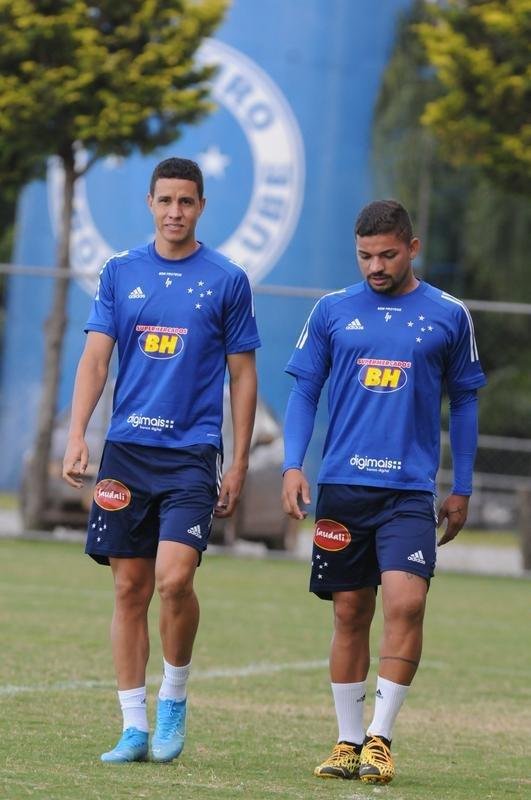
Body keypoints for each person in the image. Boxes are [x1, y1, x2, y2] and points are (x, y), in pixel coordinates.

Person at [63, 157, 260, 764]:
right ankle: (132, 725)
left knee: (175, 581)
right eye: (166, 201)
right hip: (126, 454)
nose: (176, 212)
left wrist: (239, 461)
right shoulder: (121, 272)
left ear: (201, 207)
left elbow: (243, 375)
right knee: (129, 589)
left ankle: (174, 696)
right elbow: (97, 359)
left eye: (187, 202)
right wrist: (77, 436)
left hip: (191, 455)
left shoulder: (227, 279)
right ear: (150, 203)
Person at [281, 199, 486, 784]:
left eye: (388, 254)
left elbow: (466, 400)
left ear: (412, 248)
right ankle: (347, 741)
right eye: (366, 255)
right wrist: (294, 464)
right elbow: (304, 392)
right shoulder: (331, 311)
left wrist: (463, 485)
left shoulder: (448, 315)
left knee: (407, 602)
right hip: (343, 487)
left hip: (408, 490)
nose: (376, 265)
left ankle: (380, 737)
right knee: (350, 611)